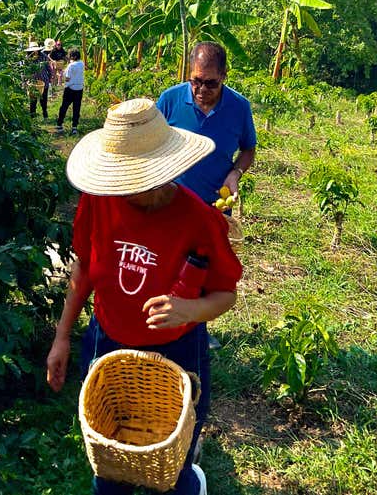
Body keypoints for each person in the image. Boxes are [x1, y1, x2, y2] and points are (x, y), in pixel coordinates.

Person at [46, 98, 242, 495]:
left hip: (178, 351)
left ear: (159, 173)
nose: (123, 190)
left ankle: (190, 480)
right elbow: (83, 269)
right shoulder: (98, 201)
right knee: (111, 463)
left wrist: (189, 309)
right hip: (107, 342)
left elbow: (226, 294)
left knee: (173, 467)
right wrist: (63, 336)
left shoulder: (199, 220)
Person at [156, 41, 257, 349]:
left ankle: (196, 329)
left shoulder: (239, 107)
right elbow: (154, 145)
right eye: (195, 81)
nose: (201, 89)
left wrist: (234, 173)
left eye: (210, 83)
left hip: (214, 205)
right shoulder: (170, 100)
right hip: (171, 203)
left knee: (203, 269)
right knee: (166, 264)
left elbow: (248, 149)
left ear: (224, 75)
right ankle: (162, 325)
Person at [56, 49, 84, 135]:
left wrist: (62, 74)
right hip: (79, 88)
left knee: (64, 107)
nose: (69, 57)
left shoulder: (71, 66)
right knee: (76, 108)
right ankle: (74, 127)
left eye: (70, 55)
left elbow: (67, 78)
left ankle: (60, 124)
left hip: (70, 88)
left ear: (73, 57)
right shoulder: (82, 63)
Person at [23, 40, 52, 120]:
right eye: (33, 50)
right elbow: (24, 71)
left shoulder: (43, 56)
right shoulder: (27, 59)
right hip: (32, 82)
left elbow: (48, 68)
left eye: (36, 50)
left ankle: (45, 114)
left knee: (43, 99)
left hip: (43, 81)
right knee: (33, 101)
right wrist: (25, 82)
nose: (35, 52)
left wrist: (50, 78)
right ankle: (33, 117)